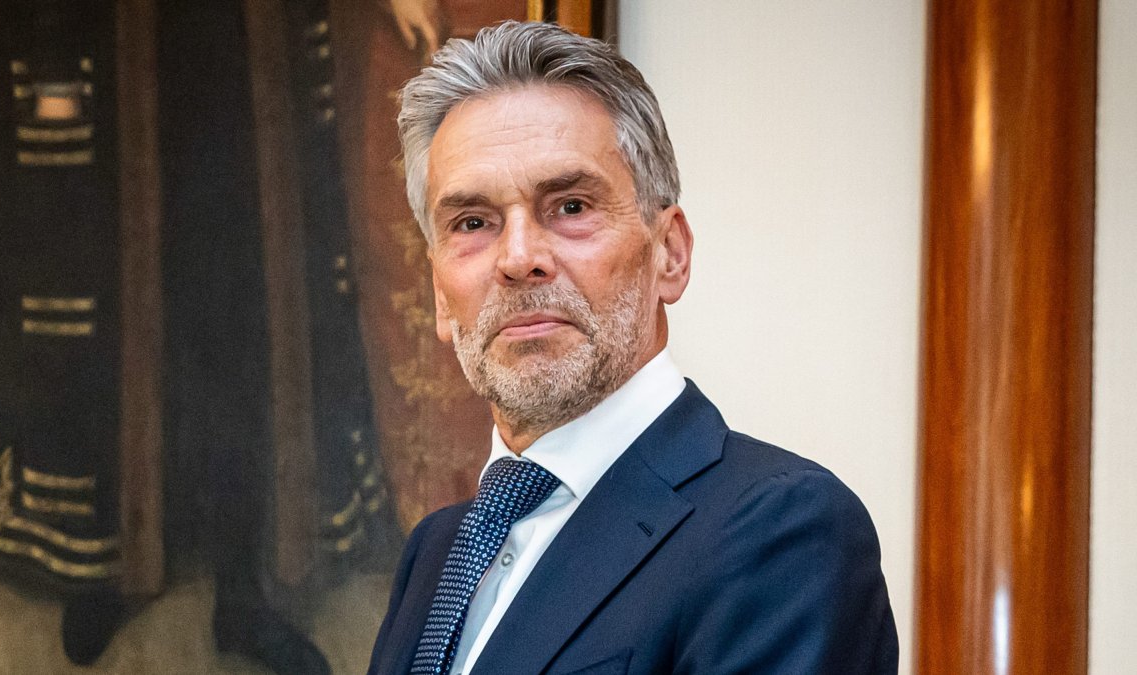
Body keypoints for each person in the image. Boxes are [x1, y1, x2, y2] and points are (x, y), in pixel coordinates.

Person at [369, 21, 899, 675]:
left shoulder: (783, 528)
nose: (517, 258)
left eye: (569, 206)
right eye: (472, 222)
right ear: (441, 297)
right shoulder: (435, 550)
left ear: (669, 254)